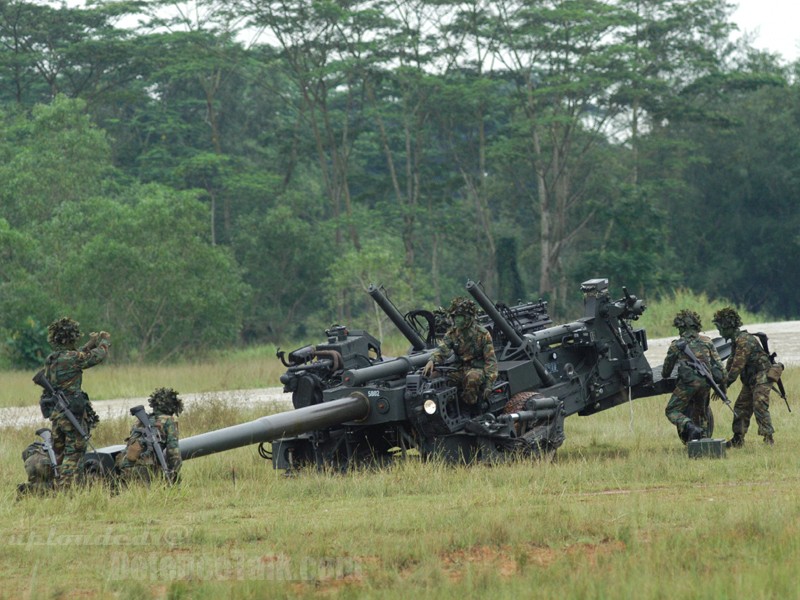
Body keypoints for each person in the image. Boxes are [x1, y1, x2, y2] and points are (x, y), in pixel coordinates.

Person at [42, 317, 110, 488]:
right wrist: (104, 342)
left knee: (60, 452)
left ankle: (54, 485)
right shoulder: (73, 357)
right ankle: (68, 490)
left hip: (57, 412)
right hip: (72, 412)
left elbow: (78, 355)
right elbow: (96, 357)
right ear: (72, 337)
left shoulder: (52, 359)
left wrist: (90, 343)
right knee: (75, 453)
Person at [713, 307, 775, 447]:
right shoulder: (737, 341)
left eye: (720, 328)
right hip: (750, 379)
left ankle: (768, 439)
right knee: (741, 407)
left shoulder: (745, 341)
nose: (719, 332)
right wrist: (721, 382)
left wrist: (724, 385)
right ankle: (738, 439)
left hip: (762, 377)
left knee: (759, 404)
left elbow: (736, 368)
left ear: (728, 326)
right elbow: (730, 363)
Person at [661, 309, 725, 442]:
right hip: (706, 383)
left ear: (682, 327)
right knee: (701, 414)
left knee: (671, 410)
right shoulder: (707, 342)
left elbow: (666, 372)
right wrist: (722, 387)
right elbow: (720, 368)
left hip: (687, 384)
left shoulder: (676, 346)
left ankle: (688, 426)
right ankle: (704, 444)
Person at [422, 297, 498, 405]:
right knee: (437, 377)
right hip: (460, 368)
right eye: (454, 316)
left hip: (478, 369)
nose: (456, 319)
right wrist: (432, 360)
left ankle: (470, 406)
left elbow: (491, 361)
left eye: (460, 316)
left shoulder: (482, 334)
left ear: (468, 318)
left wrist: (489, 384)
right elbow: (443, 349)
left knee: (472, 378)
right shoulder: (452, 334)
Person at [117, 387, 183, 484]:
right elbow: (174, 454)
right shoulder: (169, 421)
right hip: (146, 472)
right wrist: (174, 474)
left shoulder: (139, 421)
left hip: (126, 470)